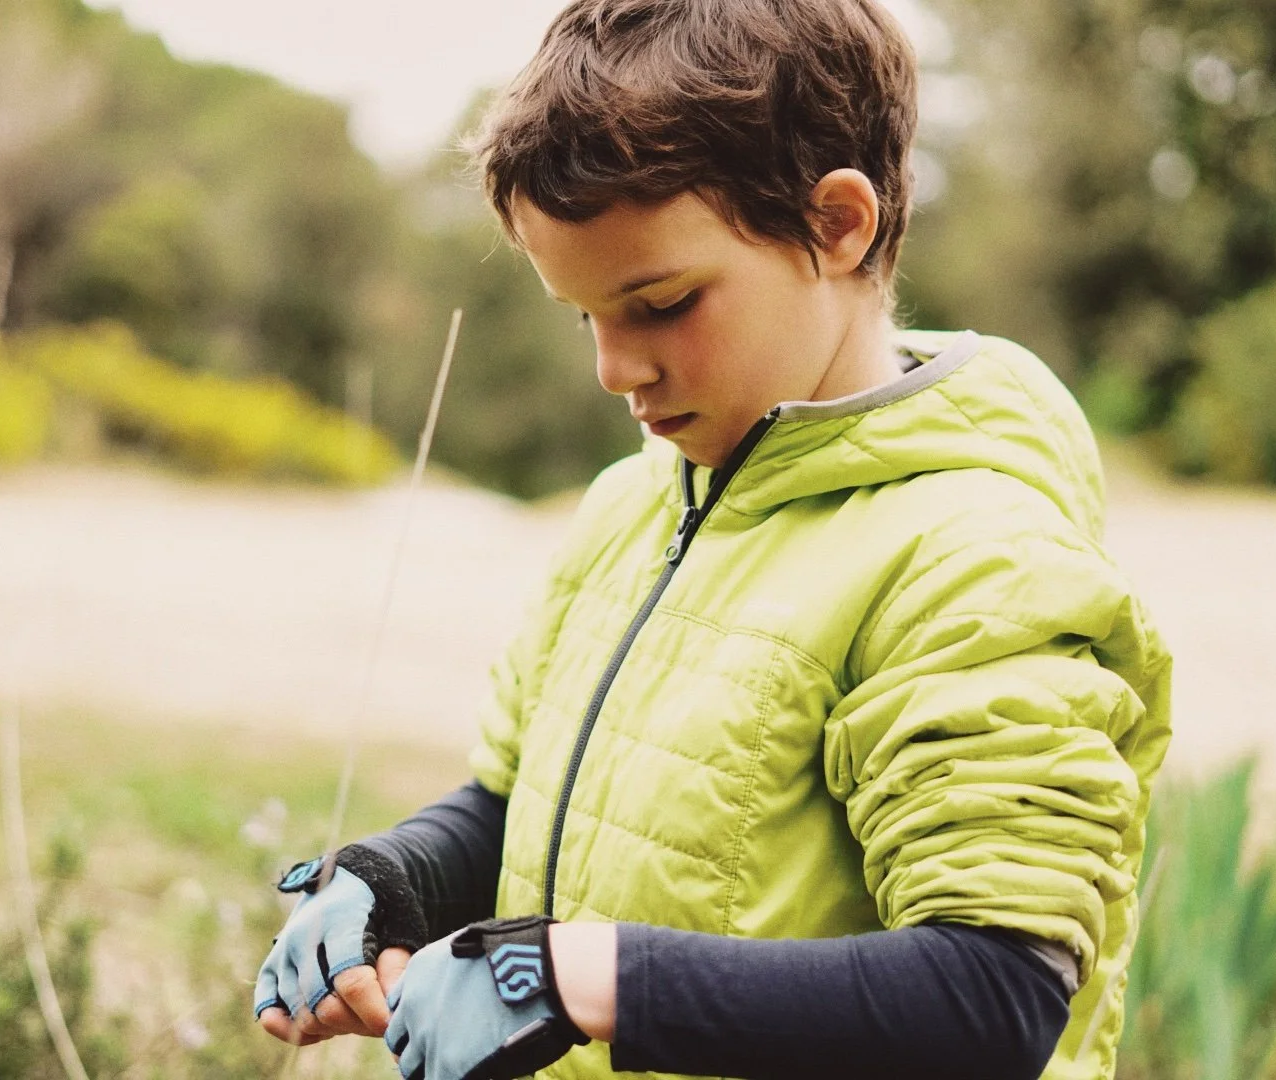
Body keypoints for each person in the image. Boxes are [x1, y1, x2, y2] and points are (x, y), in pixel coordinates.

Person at [252, 1, 1173, 1077]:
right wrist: (392, 879)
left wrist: (580, 978)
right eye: (585, 315)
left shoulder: (975, 557)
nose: (613, 368)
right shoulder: (626, 510)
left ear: (837, 224)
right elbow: (519, 809)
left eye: (663, 302)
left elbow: (995, 996)